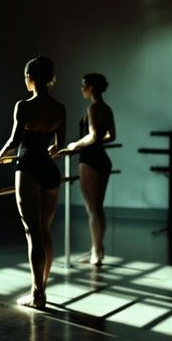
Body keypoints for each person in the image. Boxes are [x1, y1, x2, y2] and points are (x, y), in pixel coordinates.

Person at [0, 56, 66, 309]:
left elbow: (14, 140)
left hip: (28, 168)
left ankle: (37, 295)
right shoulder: (59, 108)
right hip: (49, 170)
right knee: (45, 232)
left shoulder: (23, 106)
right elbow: (59, 146)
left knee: (32, 233)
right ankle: (41, 289)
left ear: (30, 78)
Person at [65, 73, 116, 267]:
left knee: (92, 209)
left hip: (89, 160)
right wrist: (94, 141)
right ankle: (97, 248)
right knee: (97, 208)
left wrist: (75, 145)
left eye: (83, 86)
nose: (81, 89)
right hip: (103, 159)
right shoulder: (107, 108)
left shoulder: (93, 108)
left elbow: (93, 136)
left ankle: (96, 252)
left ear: (91, 88)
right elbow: (111, 136)